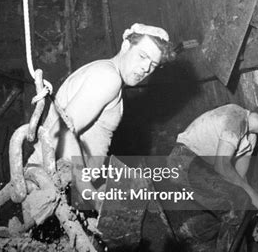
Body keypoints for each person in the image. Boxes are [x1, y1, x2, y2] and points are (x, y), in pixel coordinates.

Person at [23, 23, 175, 209]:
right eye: (142, 56)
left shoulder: (105, 72)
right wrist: (89, 192)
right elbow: (63, 131)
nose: (145, 68)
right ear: (126, 46)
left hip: (58, 182)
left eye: (153, 65)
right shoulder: (108, 78)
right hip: (50, 185)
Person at [168, 101, 258, 252]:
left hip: (201, 169)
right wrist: (252, 195)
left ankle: (192, 231)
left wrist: (252, 205)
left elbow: (239, 180)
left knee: (237, 206)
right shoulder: (236, 117)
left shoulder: (251, 139)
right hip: (183, 162)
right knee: (239, 201)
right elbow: (222, 166)